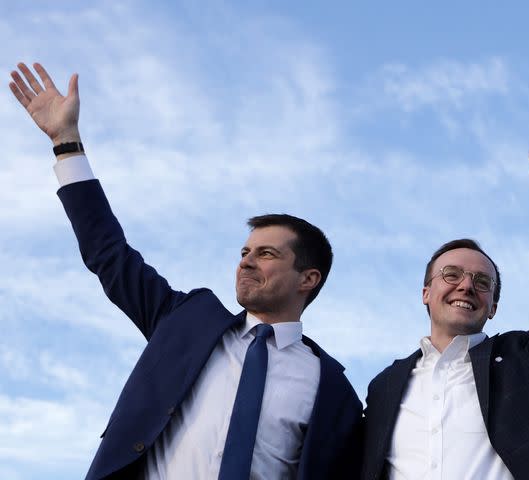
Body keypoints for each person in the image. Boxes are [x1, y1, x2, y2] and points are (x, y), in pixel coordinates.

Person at [9, 62, 362, 480]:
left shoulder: (332, 389)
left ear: (309, 278)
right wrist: (66, 142)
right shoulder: (186, 320)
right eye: (244, 251)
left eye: (266, 253)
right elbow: (109, 253)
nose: (246, 261)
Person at [360, 148, 529, 479]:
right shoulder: (385, 385)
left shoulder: (526, 361)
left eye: (482, 282)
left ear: (493, 307)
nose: (466, 286)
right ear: (426, 293)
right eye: (451, 275)